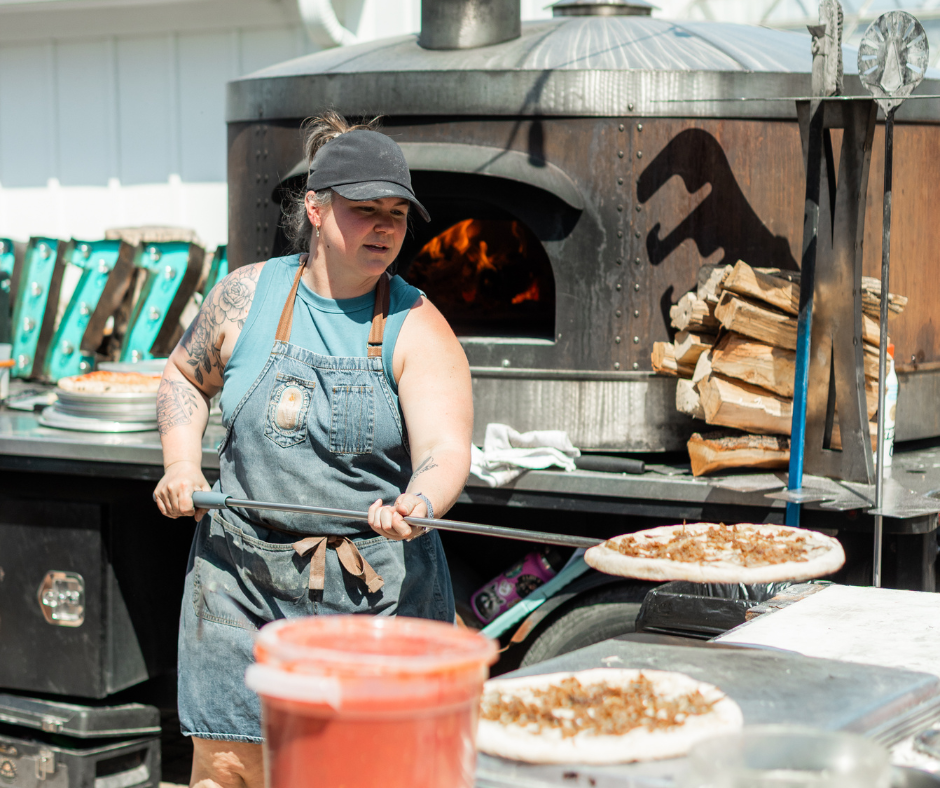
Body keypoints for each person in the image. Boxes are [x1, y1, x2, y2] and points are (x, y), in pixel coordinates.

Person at [152, 112, 472, 788]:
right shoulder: (244, 296)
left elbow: (445, 448)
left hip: (371, 594)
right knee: (230, 769)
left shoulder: (419, 326)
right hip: (238, 579)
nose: (385, 227)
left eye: (396, 214)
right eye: (365, 211)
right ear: (316, 209)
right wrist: (181, 462)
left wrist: (420, 500)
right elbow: (184, 373)